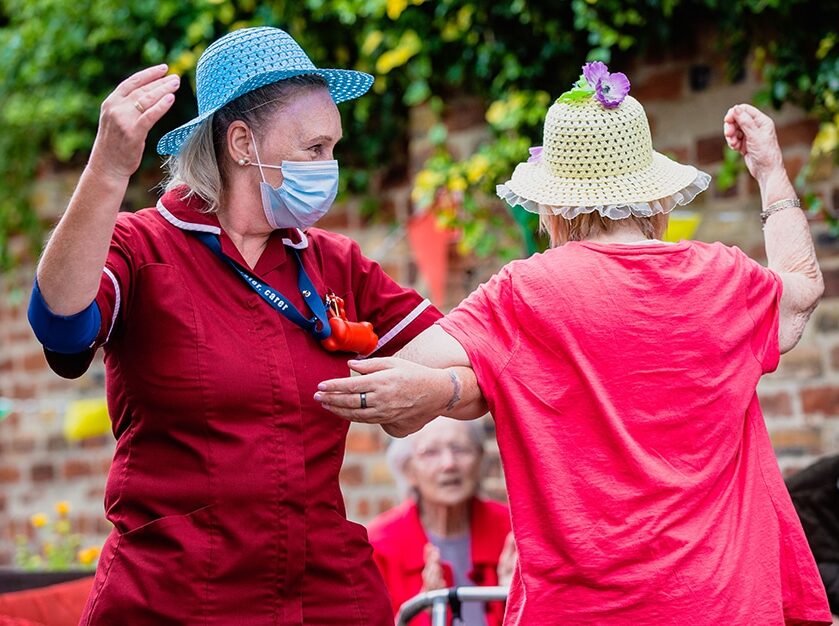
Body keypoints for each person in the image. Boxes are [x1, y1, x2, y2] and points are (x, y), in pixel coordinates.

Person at [316, 61, 832, 624]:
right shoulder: (723, 277)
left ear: (554, 208)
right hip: (724, 604)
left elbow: (407, 375)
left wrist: (465, 384)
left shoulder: (525, 293)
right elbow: (802, 289)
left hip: (584, 610)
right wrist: (771, 172)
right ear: (656, 198)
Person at [25, 26, 466, 624]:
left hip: (323, 599)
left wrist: (436, 391)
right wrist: (107, 172)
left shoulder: (334, 262)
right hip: (174, 601)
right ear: (241, 143)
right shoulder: (143, 246)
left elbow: (467, 354)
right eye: (314, 148)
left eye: (333, 148)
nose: (329, 167)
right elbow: (61, 326)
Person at [368, 417, 515, 625]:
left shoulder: (513, 531)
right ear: (408, 470)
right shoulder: (378, 547)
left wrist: (519, 601)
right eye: (431, 452)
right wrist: (420, 615)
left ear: (481, 458)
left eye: (460, 449)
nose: (449, 464)